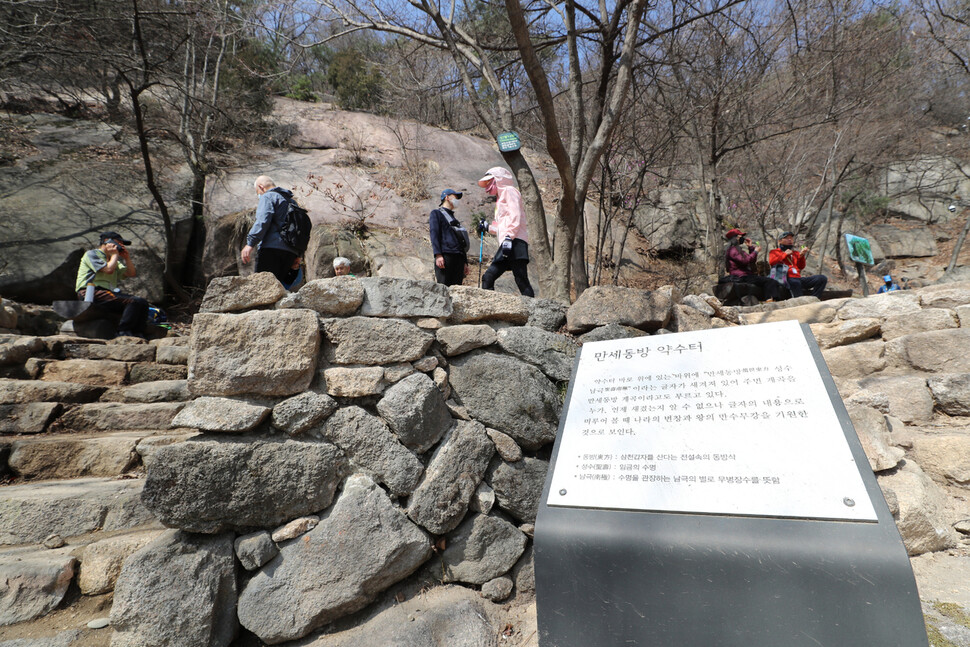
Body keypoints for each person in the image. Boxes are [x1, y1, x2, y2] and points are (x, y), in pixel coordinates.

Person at [74, 232, 149, 338]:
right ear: (107, 241)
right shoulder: (92, 254)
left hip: (107, 293)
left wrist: (127, 258)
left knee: (142, 303)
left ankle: (138, 333)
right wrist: (114, 255)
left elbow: (131, 273)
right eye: (119, 243)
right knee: (133, 301)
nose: (121, 246)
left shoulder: (113, 260)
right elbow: (108, 269)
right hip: (90, 292)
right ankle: (123, 332)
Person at [477, 167, 534, 297]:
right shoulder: (499, 199)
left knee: (521, 279)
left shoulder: (509, 191)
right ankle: (489, 310)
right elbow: (501, 227)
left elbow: (516, 215)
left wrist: (510, 236)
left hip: (515, 241)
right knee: (488, 277)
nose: (486, 187)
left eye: (489, 182)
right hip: (507, 242)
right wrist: (488, 227)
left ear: (498, 180)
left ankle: (533, 312)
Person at [241, 175, 300, 285]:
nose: (258, 195)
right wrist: (298, 254)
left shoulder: (268, 196)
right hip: (290, 253)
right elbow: (299, 228)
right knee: (278, 287)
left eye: (257, 192)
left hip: (271, 249)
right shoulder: (292, 202)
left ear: (261, 187)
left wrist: (250, 244)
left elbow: (263, 220)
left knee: (262, 288)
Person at [724, 228, 780, 302]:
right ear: (735, 238)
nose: (742, 239)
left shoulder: (738, 250)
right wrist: (755, 252)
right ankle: (770, 300)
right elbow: (745, 261)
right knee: (769, 281)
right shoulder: (732, 250)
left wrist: (750, 248)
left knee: (771, 281)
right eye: (740, 237)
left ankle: (771, 299)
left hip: (746, 275)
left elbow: (751, 261)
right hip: (741, 276)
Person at [429, 188, 470, 286]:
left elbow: (460, 241)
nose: (457, 200)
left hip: (459, 258)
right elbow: (434, 234)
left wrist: (465, 262)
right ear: (447, 197)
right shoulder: (436, 213)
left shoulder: (454, 219)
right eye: (455, 197)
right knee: (443, 287)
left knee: (456, 289)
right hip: (446, 256)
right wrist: (438, 254)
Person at [768, 231, 827, 298]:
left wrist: (801, 256)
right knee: (795, 282)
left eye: (791, 238)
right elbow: (772, 262)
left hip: (797, 278)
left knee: (822, 278)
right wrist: (784, 254)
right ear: (780, 241)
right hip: (786, 278)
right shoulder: (774, 252)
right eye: (787, 238)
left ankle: (815, 298)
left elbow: (801, 266)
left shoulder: (795, 253)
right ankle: (799, 300)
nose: (790, 240)